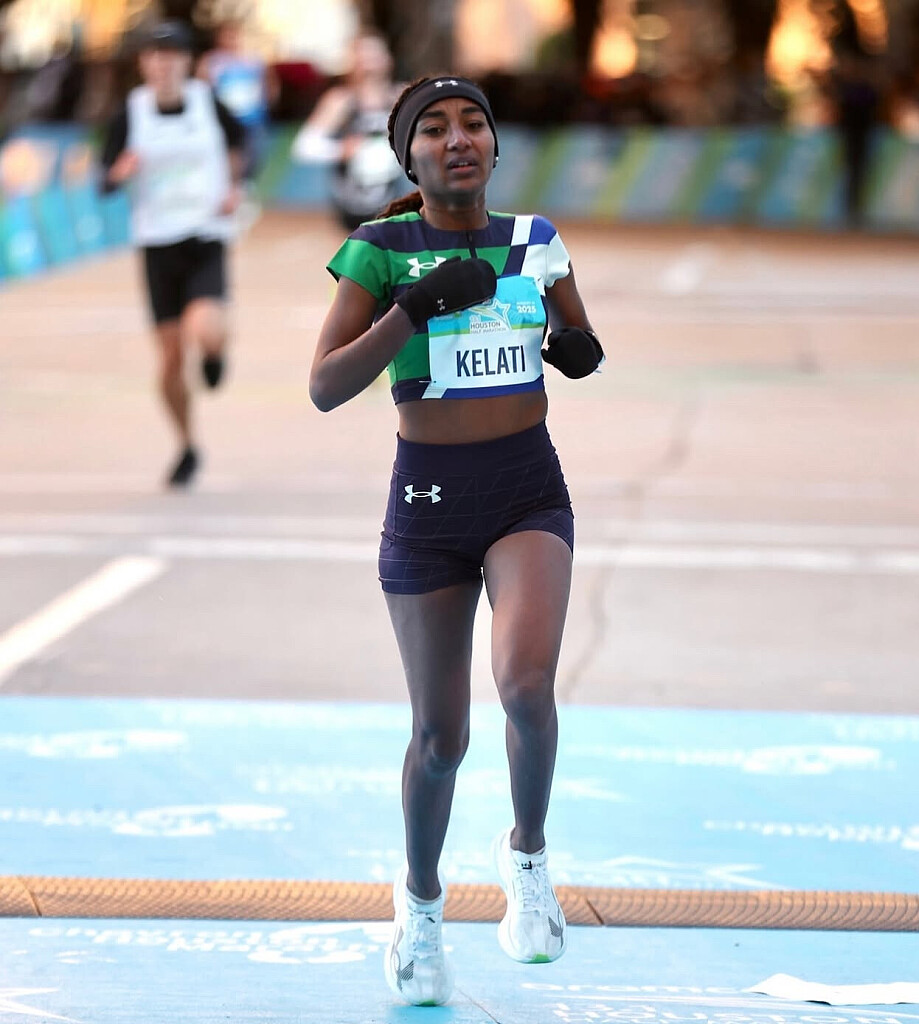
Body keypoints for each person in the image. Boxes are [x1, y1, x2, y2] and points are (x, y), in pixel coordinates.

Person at [309, 76, 603, 1006]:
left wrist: (576, 349)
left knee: (526, 686)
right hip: (428, 506)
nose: (457, 138)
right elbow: (324, 386)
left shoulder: (535, 241)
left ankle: (527, 861)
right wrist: (414, 309)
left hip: (526, 492)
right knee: (440, 738)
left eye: (473, 123)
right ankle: (421, 910)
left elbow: (574, 332)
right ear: (409, 158)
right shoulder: (378, 249)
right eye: (433, 129)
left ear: (494, 145)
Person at [100, 20, 247, 488]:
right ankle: (186, 444)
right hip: (157, 244)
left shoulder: (208, 103)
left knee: (205, 328)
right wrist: (119, 172)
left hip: (205, 235)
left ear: (186, 61)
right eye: (154, 56)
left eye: (171, 56)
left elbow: (241, 143)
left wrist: (235, 184)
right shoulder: (132, 112)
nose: (163, 65)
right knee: (168, 360)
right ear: (144, 63)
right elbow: (104, 178)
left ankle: (215, 354)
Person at [290, 30, 405, 230]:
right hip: (352, 206)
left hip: (394, 203)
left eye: (374, 57)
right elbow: (304, 147)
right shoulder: (340, 101)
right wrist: (342, 150)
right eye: (362, 58)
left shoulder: (402, 97)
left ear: (388, 59)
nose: (369, 65)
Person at [198, 18, 278, 179]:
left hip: (253, 122)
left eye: (234, 35)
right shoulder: (211, 61)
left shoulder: (254, 59)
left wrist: (267, 102)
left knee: (253, 159)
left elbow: (270, 83)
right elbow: (201, 89)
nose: (232, 39)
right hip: (225, 122)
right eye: (227, 35)